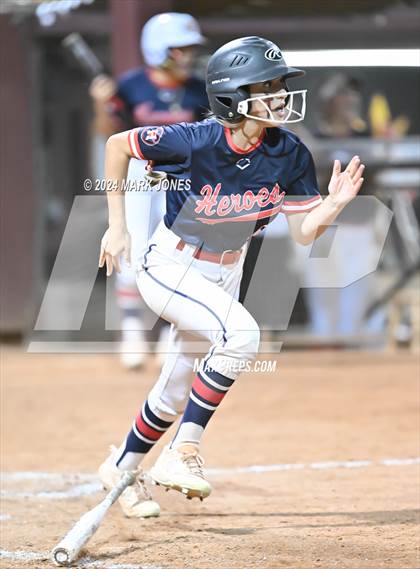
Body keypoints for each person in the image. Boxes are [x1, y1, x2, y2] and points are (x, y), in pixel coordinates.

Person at [97, 36, 365, 519]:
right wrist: (117, 225)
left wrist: (333, 204)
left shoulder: (289, 153)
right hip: (172, 266)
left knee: (176, 388)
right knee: (242, 335)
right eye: (267, 87)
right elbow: (118, 145)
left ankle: (119, 467)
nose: (281, 97)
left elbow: (304, 233)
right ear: (232, 97)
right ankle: (184, 451)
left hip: (227, 272)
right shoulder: (194, 139)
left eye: (280, 85)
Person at [90, 12, 208, 369]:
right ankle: (132, 333)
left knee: (183, 254)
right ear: (159, 49)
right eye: (179, 48)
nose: (187, 55)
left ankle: (174, 336)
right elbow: (105, 132)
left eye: (189, 48)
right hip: (140, 170)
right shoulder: (131, 86)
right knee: (132, 247)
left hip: (186, 174)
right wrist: (101, 103)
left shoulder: (197, 89)